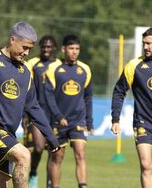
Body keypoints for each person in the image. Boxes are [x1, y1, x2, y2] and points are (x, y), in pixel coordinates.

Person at [0, 21, 59, 188]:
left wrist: (50, 136)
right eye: (24, 47)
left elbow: (33, 106)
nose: (27, 52)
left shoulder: (26, 69)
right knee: (23, 156)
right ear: (12, 39)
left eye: (30, 49)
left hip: (8, 134)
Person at [111, 27, 152, 188]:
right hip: (143, 122)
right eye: (143, 43)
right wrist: (115, 119)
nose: (145, 47)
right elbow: (119, 91)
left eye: (149, 43)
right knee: (146, 166)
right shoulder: (134, 65)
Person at [45, 35, 93, 188]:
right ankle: (55, 186)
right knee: (57, 157)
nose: (74, 52)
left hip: (78, 120)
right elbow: (49, 96)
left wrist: (89, 121)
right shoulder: (54, 69)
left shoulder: (85, 69)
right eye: (71, 48)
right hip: (58, 122)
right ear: (63, 49)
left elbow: (88, 97)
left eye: (77, 49)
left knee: (80, 154)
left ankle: (82, 185)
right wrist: (59, 116)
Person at [25, 35, 60, 188]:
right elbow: (26, 90)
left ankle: (49, 183)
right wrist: (24, 114)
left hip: (55, 114)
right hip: (36, 112)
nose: (46, 49)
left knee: (54, 150)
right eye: (43, 47)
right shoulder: (32, 63)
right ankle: (33, 171)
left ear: (54, 48)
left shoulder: (60, 65)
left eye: (49, 46)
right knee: (38, 147)